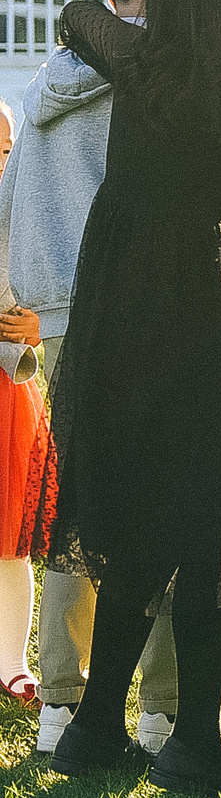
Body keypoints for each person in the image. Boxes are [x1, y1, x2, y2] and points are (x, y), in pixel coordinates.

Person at [47, 0, 221, 798]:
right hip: (190, 301)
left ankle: (93, 727)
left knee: (137, 512)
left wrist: (142, 30)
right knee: (203, 517)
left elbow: (80, 13)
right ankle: (196, 743)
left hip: (115, 300)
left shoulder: (138, 59)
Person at [0, 0, 185, 754]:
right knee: (170, 501)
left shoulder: (51, 73)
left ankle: (62, 705)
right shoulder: (157, 74)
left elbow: (11, 197)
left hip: (66, 310)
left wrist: (14, 306)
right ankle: (159, 708)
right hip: (144, 301)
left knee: (81, 504)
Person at [0, 104, 47, 713]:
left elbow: (44, 280)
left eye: (7, 149)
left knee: (11, 537)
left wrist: (39, 323)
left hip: (10, 390)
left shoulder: (22, 213)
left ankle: (12, 659)